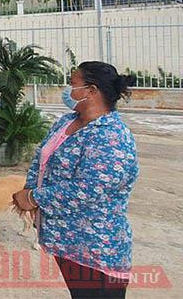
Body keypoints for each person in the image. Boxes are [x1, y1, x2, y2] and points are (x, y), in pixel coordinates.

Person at [13, 62, 139, 298]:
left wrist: (33, 198)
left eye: (72, 84)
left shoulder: (111, 136)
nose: (67, 90)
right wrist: (30, 190)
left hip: (94, 250)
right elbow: (42, 157)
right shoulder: (67, 121)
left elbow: (87, 189)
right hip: (65, 241)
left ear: (91, 91)